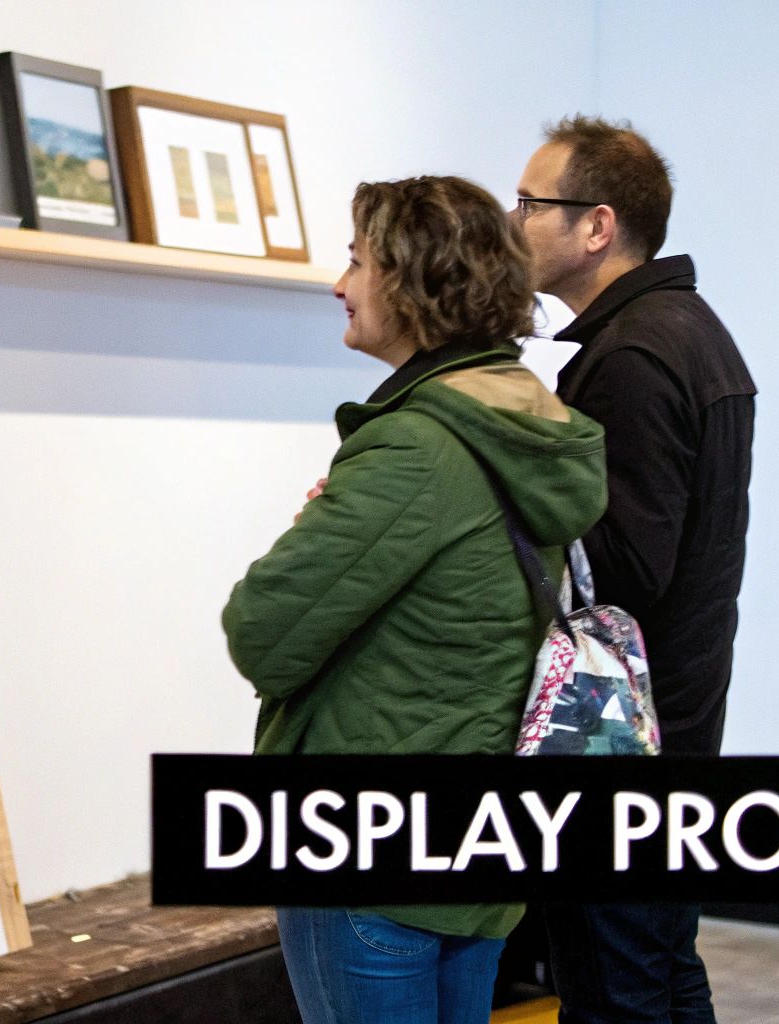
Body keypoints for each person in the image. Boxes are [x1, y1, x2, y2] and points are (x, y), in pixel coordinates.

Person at [221, 176, 607, 1024]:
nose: (340, 284)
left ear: (411, 281)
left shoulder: (416, 447)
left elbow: (262, 634)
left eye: (358, 262)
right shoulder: (527, 421)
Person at [511, 115, 756, 1023]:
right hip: (668, 717)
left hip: (625, 734)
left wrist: (503, 492)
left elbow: (622, 569)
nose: (514, 222)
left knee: (617, 988)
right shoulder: (681, 330)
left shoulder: (637, 354)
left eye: (530, 204)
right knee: (656, 970)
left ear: (597, 226)